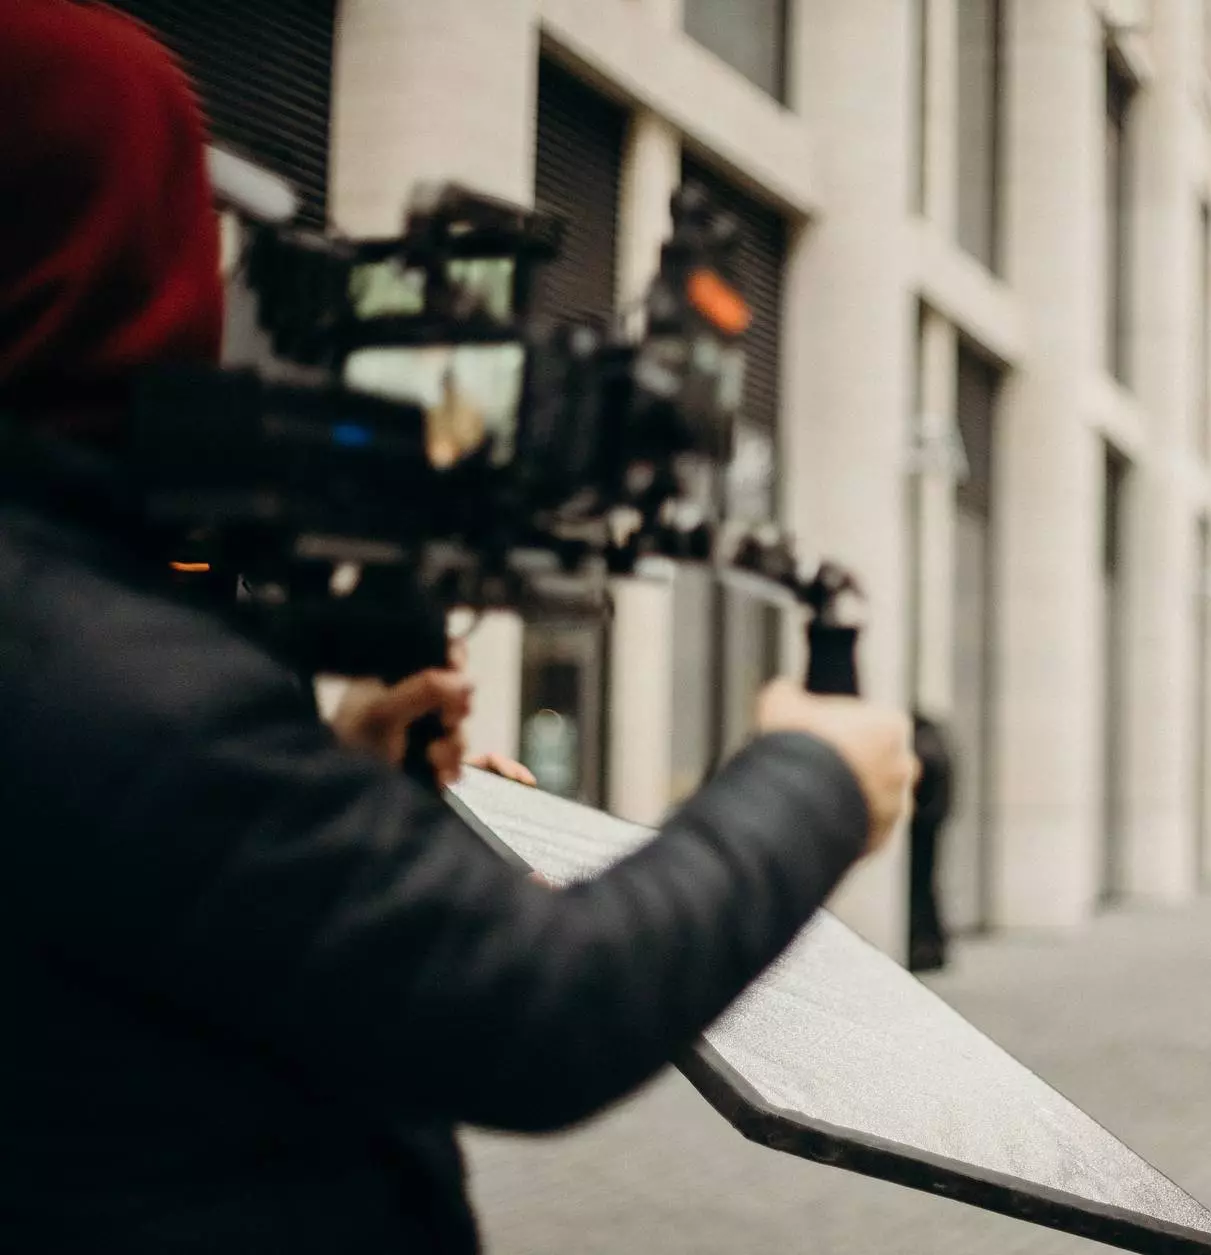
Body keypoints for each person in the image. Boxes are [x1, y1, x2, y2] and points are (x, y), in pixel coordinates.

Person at [0, 6, 915, 1252]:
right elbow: (541, 1007)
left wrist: (322, 780)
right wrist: (812, 781)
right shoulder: (99, 665)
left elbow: (146, 917)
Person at [906, 711, 955, 972]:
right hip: (931, 824)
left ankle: (927, 947)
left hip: (923, 828)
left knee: (922, 887)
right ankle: (930, 946)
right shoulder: (935, 746)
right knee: (926, 887)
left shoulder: (926, 750)